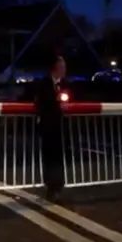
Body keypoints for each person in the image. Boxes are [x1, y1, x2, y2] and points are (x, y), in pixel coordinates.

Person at [34, 55, 67, 201]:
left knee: (59, 157)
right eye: (62, 67)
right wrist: (56, 103)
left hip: (61, 127)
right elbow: (41, 103)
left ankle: (58, 185)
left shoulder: (66, 84)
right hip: (48, 126)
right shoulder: (44, 84)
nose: (64, 70)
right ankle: (51, 186)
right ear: (55, 68)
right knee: (49, 157)